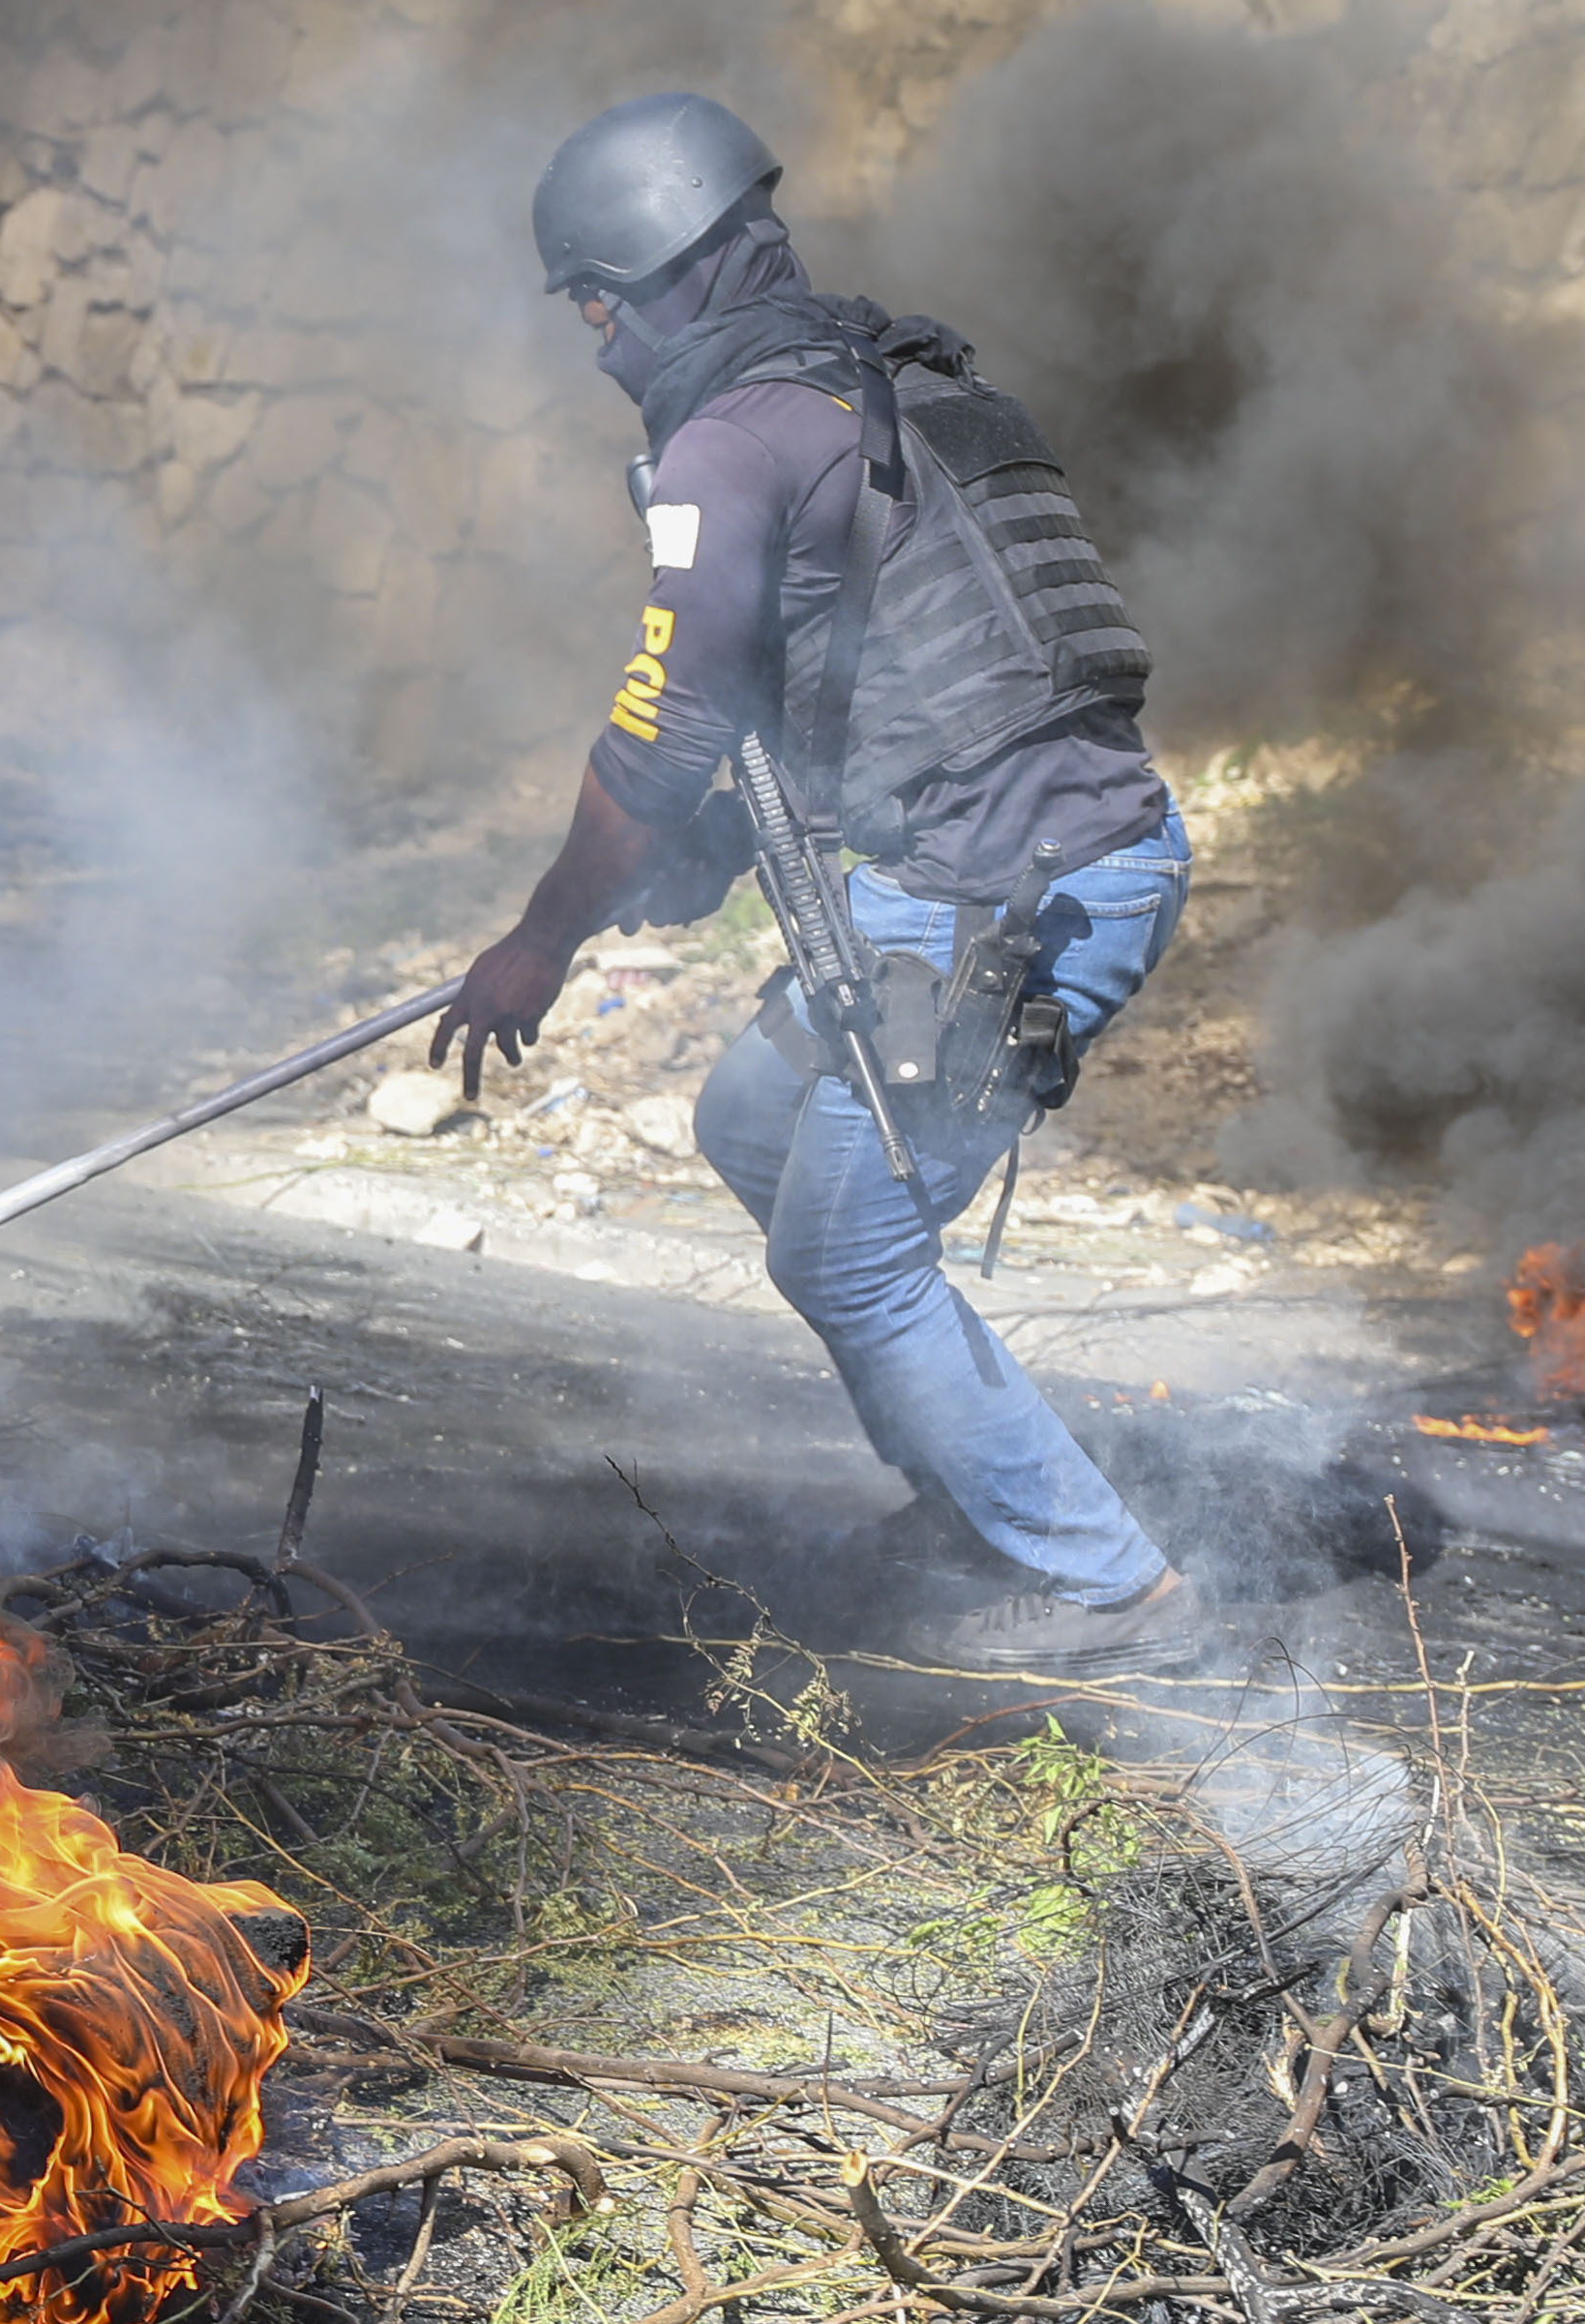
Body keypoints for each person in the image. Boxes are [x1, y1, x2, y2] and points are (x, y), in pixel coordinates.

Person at [418, 91, 1202, 1676]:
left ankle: (1112, 1590)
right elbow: (907, 685)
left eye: (592, 303)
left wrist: (540, 943)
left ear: (656, 274)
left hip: (1012, 903)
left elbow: (658, 737)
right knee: (747, 1121)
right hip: (1015, 863)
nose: (593, 346)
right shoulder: (889, 384)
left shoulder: (727, 442)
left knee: (844, 1257)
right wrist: (719, 848)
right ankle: (966, 1491)